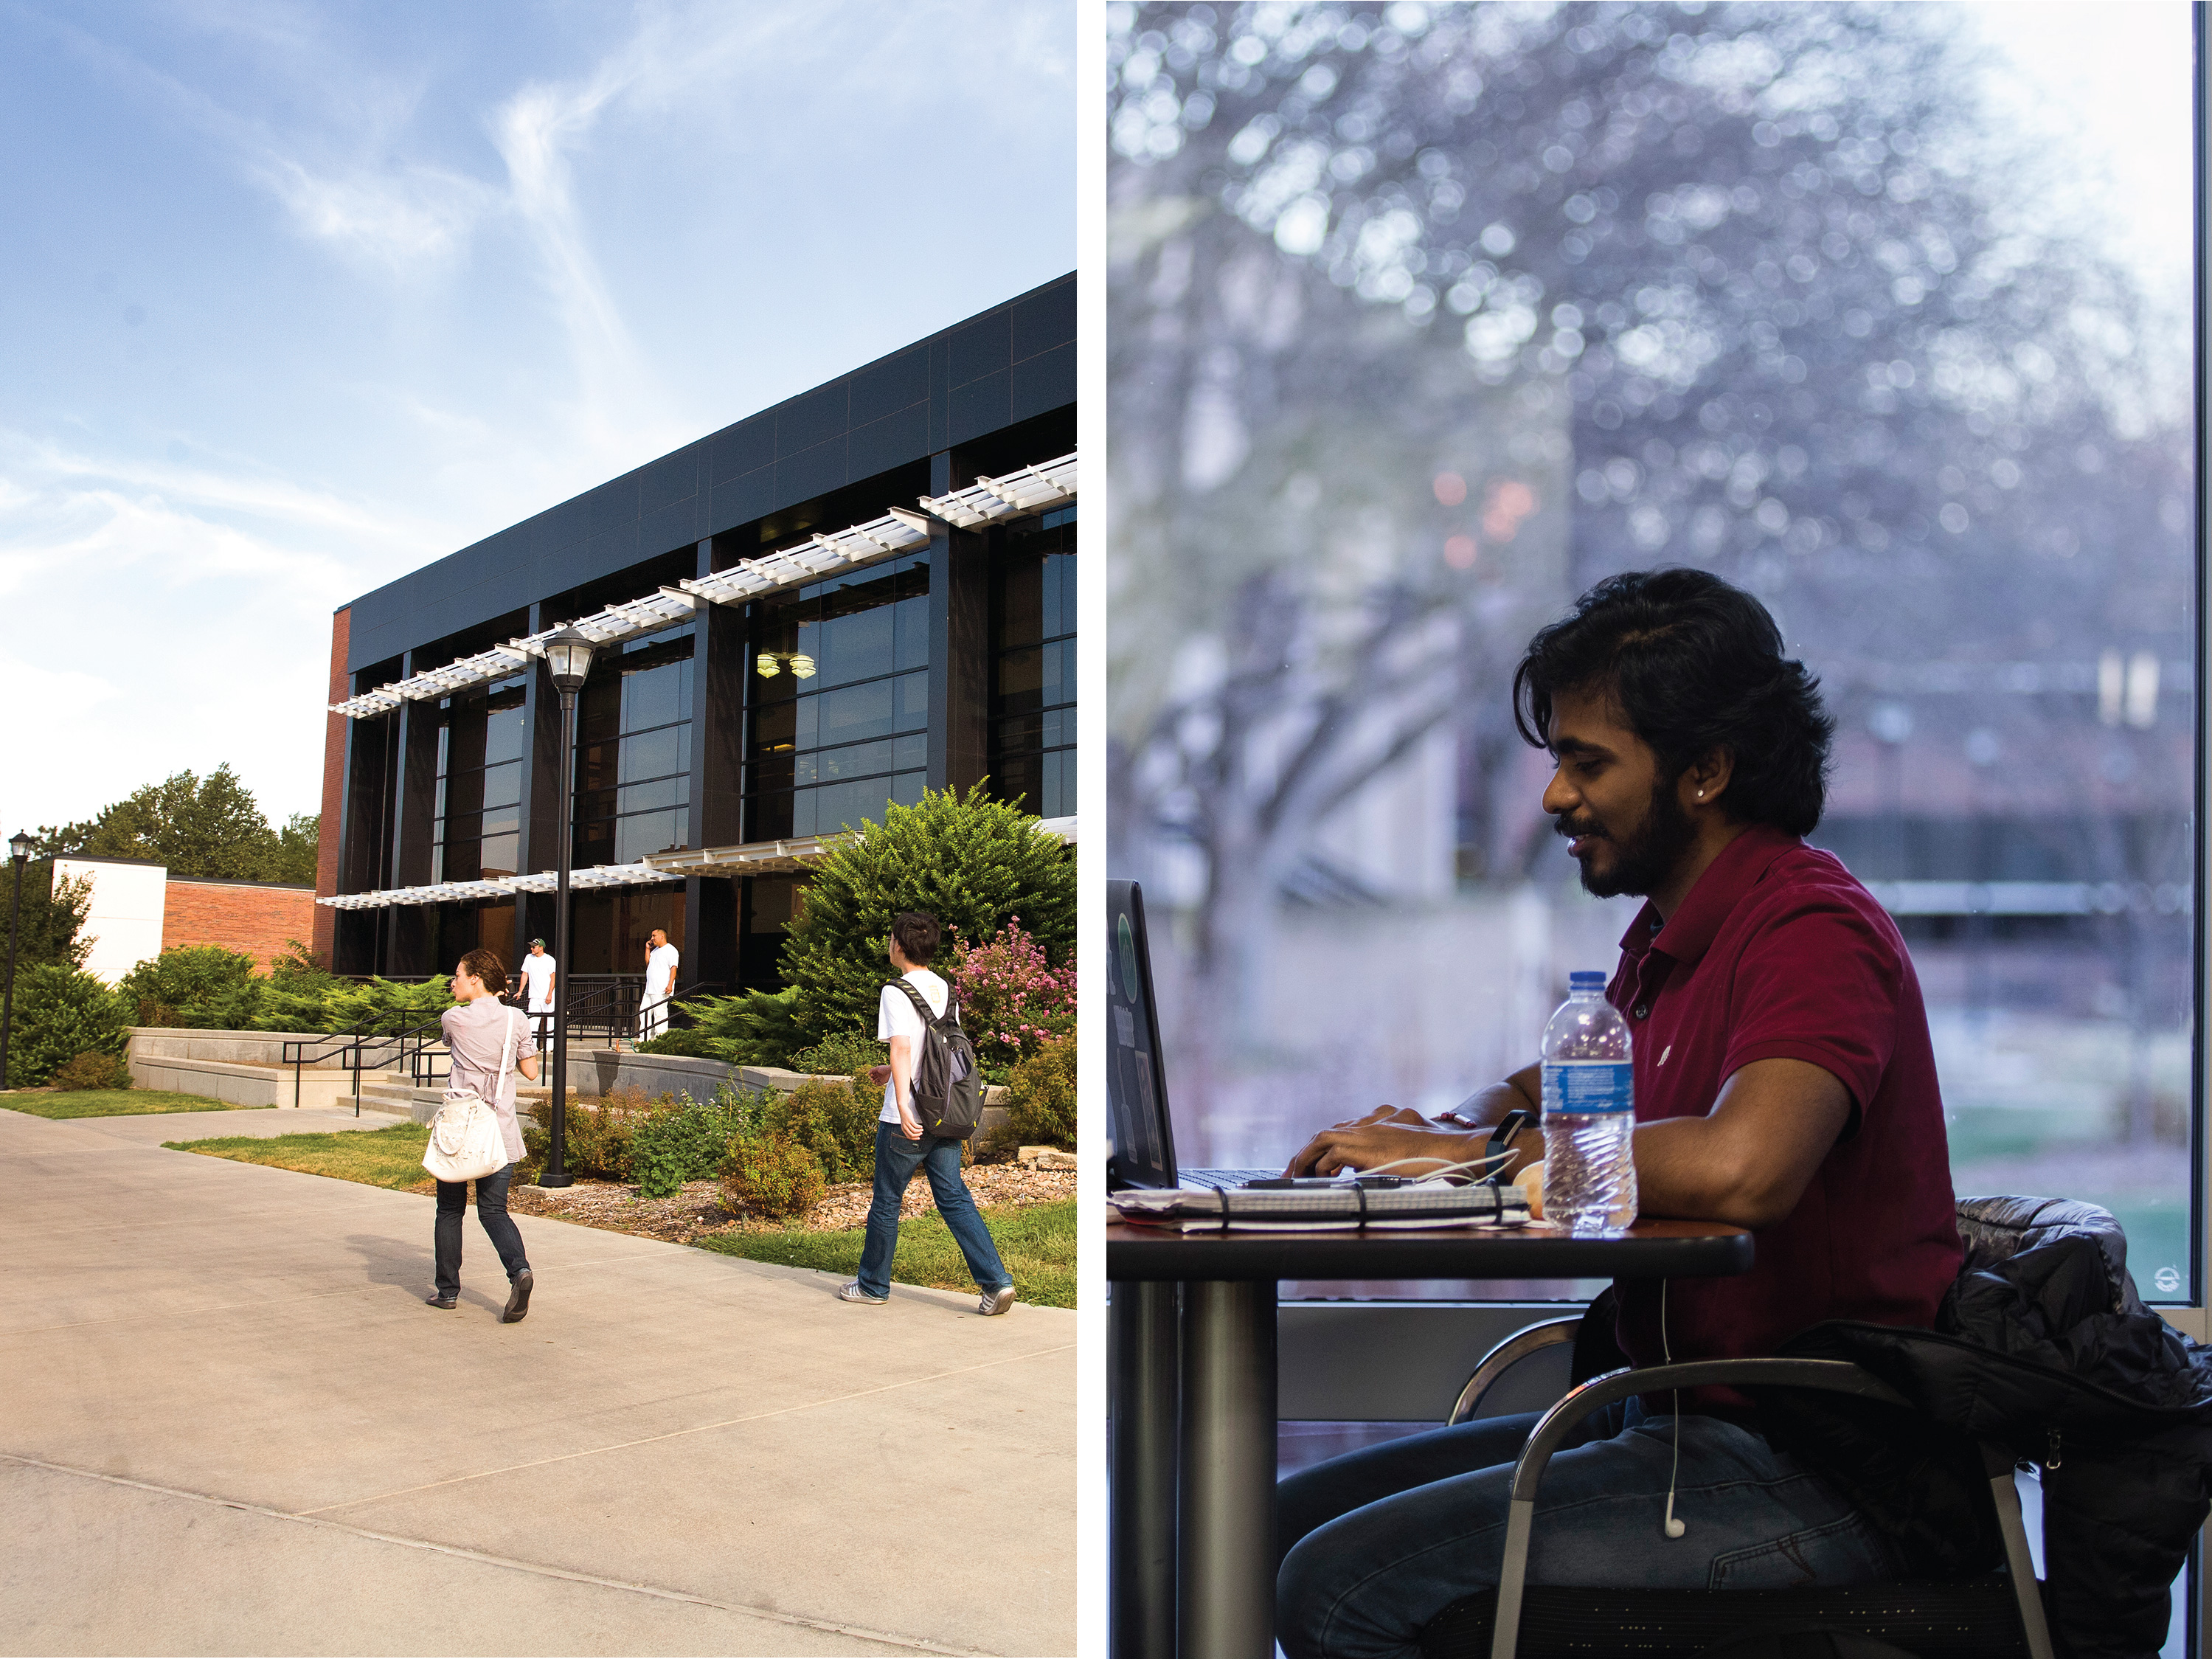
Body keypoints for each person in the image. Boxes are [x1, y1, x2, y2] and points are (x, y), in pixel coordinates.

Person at [1272, 569, 1963, 1659]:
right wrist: (1443, 1132)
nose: (1552, 796)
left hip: (1817, 1468)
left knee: (1334, 1586)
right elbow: (1538, 1092)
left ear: (1704, 771)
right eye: (1554, 759)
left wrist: (1476, 1156)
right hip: (1676, 1417)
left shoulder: (1810, 929)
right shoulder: (1669, 938)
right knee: (1270, 1523)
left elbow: (1745, 1167)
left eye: (1584, 762)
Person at [838, 911, 1017, 1316]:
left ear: (899, 945)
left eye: (890, 938)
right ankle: (996, 1282)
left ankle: (872, 1285)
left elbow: (903, 1048)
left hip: (910, 1116)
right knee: (954, 1198)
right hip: (946, 1113)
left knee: (886, 1201)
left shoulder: (896, 990)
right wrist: (890, 1072)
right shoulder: (945, 988)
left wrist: (902, 1104)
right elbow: (938, 1048)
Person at [429, 946, 541, 1323]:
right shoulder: (518, 1020)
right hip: (500, 1128)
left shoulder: (453, 1019)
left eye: (458, 976)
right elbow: (531, 1072)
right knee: (494, 1211)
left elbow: (455, 1047)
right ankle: (519, 1271)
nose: (453, 982)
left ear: (475, 979)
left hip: (461, 1132)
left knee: (450, 1210)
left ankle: (447, 1292)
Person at [637, 927, 679, 1042]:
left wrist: (670, 984)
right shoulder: (655, 951)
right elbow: (648, 964)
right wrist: (647, 949)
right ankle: (643, 1039)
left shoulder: (671, 950)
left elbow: (673, 968)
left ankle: (660, 1039)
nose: (652, 939)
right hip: (649, 989)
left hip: (661, 989)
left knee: (659, 1014)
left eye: (654, 936)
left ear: (662, 936)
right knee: (643, 1013)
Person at [516, 937, 556, 1049]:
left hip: (547, 996)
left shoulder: (549, 960)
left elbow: (553, 978)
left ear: (541, 948)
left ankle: (549, 1047)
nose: (532, 949)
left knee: (550, 1021)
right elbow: (525, 974)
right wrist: (520, 991)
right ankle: (531, 1046)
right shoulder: (529, 958)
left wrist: (549, 994)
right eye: (531, 947)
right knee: (532, 1022)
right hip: (534, 995)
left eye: (534, 947)